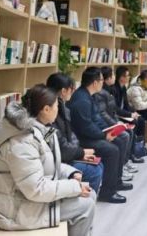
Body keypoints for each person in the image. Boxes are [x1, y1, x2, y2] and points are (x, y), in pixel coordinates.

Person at [0, 85, 95, 235]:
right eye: (56, 106)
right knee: (85, 205)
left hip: (28, 201)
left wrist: (71, 174)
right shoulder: (22, 143)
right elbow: (35, 189)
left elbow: (46, 165)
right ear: (46, 109)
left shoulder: (39, 131)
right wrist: (74, 187)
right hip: (16, 212)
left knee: (89, 194)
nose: (58, 109)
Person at [68, 67, 131, 203]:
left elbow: (97, 119)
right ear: (95, 82)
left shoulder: (89, 96)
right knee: (112, 150)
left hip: (90, 134)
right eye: (102, 80)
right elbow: (86, 127)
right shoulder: (82, 100)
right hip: (82, 139)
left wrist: (109, 130)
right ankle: (107, 192)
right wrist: (104, 136)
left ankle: (116, 182)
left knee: (120, 140)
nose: (103, 83)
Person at [46, 73, 104, 195]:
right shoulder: (50, 115)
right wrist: (80, 153)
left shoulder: (63, 108)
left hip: (66, 153)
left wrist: (79, 152)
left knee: (97, 165)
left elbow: (70, 135)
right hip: (57, 159)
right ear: (63, 91)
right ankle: (85, 198)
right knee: (94, 170)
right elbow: (58, 145)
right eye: (72, 89)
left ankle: (87, 197)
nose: (73, 92)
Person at [95, 66, 140, 176]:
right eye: (113, 75)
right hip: (109, 122)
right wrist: (116, 123)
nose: (129, 77)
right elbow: (108, 112)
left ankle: (127, 160)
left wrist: (132, 113)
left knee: (134, 125)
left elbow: (114, 109)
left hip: (113, 119)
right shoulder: (105, 92)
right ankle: (122, 166)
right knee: (126, 134)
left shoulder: (114, 89)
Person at [112, 66, 147, 157]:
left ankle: (140, 147)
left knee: (141, 119)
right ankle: (132, 152)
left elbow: (126, 105)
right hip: (117, 115)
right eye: (127, 76)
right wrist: (130, 114)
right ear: (121, 77)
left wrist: (134, 112)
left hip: (123, 113)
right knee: (135, 122)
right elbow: (116, 109)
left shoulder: (123, 88)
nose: (129, 77)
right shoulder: (114, 89)